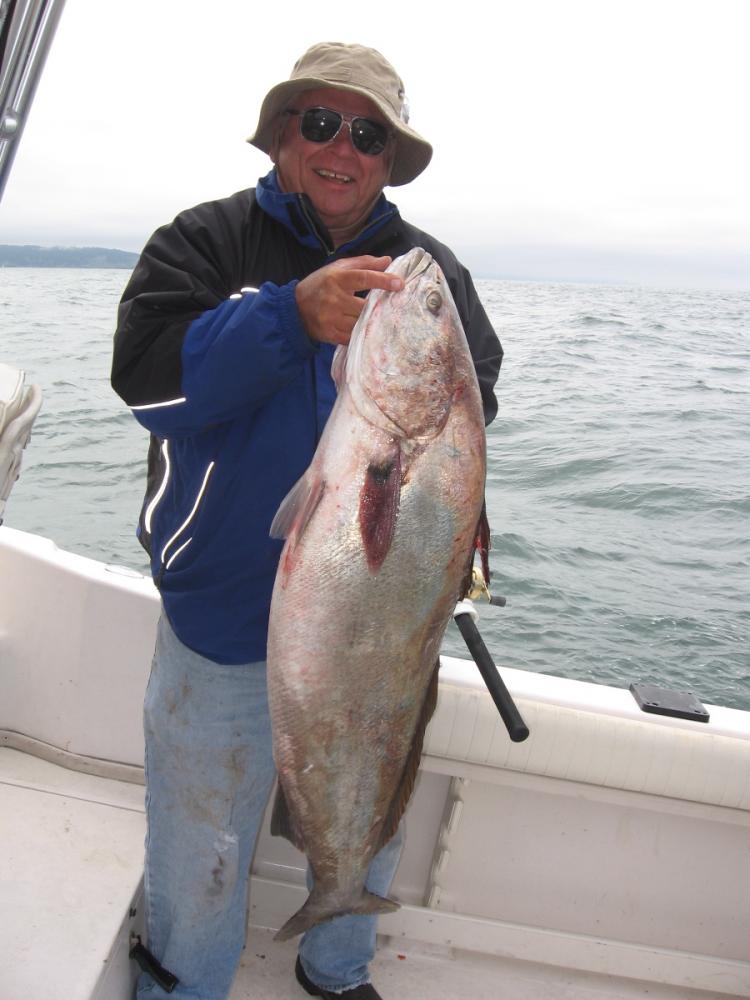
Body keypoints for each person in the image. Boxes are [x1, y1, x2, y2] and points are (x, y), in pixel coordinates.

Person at [112, 41, 503, 1000]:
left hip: (376, 624)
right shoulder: (203, 244)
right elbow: (148, 380)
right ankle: (185, 981)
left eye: (367, 133)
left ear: (387, 156)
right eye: (321, 123)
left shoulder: (429, 271)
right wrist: (287, 317)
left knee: (370, 803)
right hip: (220, 606)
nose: (342, 147)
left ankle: (336, 961)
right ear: (286, 134)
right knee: (205, 824)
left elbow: (470, 400)